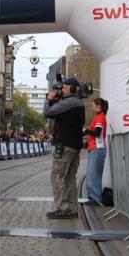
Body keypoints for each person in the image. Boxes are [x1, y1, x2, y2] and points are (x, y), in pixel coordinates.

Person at [43, 77, 86, 219]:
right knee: (69, 178)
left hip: (65, 145)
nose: (62, 89)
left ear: (72, 89)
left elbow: (47, 113)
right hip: (75, 145)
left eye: (64, 87)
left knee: (57, 176)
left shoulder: (69, 103)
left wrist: (49, 100)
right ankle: (72, 208)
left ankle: (62, 208)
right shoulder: (78, 103)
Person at [83, 97, 109, 206]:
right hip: (98, 149)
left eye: (93, 105)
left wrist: (86, 130)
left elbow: (97, 132)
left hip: (97, 149)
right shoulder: (101, 117)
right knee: (96, 175)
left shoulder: (99, 117)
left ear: (99, 106)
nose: (92, 107)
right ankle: (96, 198)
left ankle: (93, 198)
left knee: (91, 175)